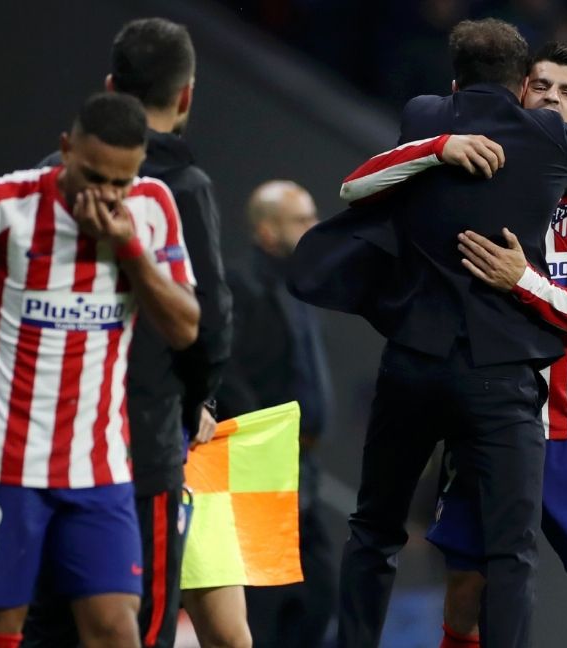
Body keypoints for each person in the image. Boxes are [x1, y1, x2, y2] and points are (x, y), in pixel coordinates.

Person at [288, 19, 567, 648]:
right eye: (542, 86)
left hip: (466, 377)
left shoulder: (427, 116)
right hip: (500, 380)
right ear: (520, 87)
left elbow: (352, 186)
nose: (552, 99)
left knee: (376, 531)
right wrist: (444, 147)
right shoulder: (545, 139)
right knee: (498, 563)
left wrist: (437, 147)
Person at [0, 92, 199, 648]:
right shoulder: (1, 204)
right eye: (93, 176)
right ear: (66, 149)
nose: (106, 194)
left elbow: (185, 327)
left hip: (99, 468)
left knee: (115, 628)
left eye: (120, 182)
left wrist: (129, 248)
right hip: (5, 464)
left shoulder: (153, 207)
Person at [21, 18, 235, 648]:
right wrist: (193, 404)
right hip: (142, 450)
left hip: (50, 448)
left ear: (112, 88)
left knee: (48, 630)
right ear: (186, 95)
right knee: (140, 632)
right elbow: (208, 330)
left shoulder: (44, 179)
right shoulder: (183, 190)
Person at [216, 180, 337, 647]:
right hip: (259, 462)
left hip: (300, 464)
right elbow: (224, 369)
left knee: (317, 595)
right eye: (300, 220)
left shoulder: (301, 287)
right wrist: (261, 433)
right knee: (265, 605)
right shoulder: (240, 285)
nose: (314, 227)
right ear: (267, 232)